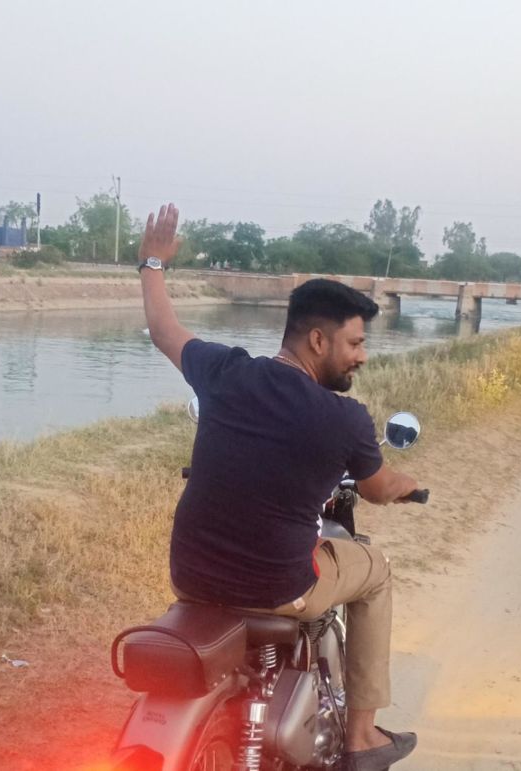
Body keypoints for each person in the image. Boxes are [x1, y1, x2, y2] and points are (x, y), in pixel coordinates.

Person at [139, 203, 420, 771]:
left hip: (190, 578)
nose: (362, 356)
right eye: (354, 344)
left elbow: (164, 332)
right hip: (278, 588)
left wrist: (152, 263)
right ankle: (362, 735)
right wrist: (404, 485)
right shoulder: (344, 419)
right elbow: (376, 488)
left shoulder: (225, 371)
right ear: (318, 340)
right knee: (376, 571)